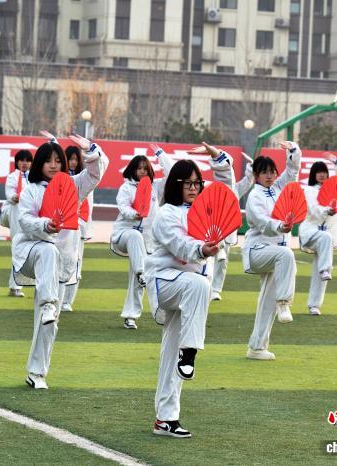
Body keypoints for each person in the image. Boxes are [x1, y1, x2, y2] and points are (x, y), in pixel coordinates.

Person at [146, 147, 234, 438]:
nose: (194, 188)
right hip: (165, 282)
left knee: (171, 353)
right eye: (188, 183)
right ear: (176, 184)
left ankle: (165, 419)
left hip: (190, 293)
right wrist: (202, 249)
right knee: (199, 284)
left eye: (198, 183)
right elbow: (179, 245)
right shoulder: (165, 214)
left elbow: (227, 192)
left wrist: (219, 159)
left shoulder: (206, 210)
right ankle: (191, 351)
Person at [12, 132, 108, 390]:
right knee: (47, 252)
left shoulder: (73, 186)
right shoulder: (31, 190)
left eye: (58, 160)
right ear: (39, 164)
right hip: (33, 252)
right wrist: (46, 225)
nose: (54, 165)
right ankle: (47, 303)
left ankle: (37, 373)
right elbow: (24, 220)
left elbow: (95, 174)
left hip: (61, 264)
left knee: (50, 323)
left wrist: (92, 151)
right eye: (48, 161)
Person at [242, 141, 302, 360]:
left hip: (275, 256)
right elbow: (261, 221)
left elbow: (292, 171)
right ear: (256, 176)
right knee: (287, 255)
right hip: (257, 251)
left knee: (267, 301)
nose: (269, 176)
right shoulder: (255, 196)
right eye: (264, 172)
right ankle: (284, 302)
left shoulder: (278, 188)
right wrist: (280, 226)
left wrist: (293, 150)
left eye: (272, 172)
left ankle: (256, 347)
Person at [109, 147, 172, 329]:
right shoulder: (126, 188)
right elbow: (123, 207)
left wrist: (161, 155)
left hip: (147, 242)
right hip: (124, 235)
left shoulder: (156, 187)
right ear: (133, 170)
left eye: (146, 168)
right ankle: (142, 272)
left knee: (138, 278)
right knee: (135, 237)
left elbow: (172, 174)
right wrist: (134, 214)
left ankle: (131, 317)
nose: (143, 171)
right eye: (139, 168)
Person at [298, 153, 337, 315]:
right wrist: (327, 210)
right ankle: (325, 269)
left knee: (320, 272)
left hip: (327, 239)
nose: (322, 174)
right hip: (311, 233)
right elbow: (314, 208)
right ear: (313, 175)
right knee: (325, 240)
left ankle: (314, 305)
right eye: (318, 172)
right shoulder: (309, 190)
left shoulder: (335, 188)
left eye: (324, 172)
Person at [210, 153, 256, 301]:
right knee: (209, 259)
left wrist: (251, 166)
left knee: (223, 261)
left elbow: (248, 181)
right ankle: (206, 285)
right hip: (212, 230)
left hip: (228, 231)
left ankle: (216, 289)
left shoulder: (236, 189)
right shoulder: (211, 189)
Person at [61, 145, 91, 313]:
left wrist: (84, 227)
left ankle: (68, 301)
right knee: (60, 261)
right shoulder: (60, 178)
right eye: (69, 159)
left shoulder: (84, 180)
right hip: (62, 227)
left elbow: (88, 206)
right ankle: (57, 297)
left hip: (79, 227)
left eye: (75, 159)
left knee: (76, 264)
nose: (72, 162)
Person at [0, 149, 33, 298]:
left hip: (30, 215)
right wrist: (14, 197)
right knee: (18, 248)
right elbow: (10, 194)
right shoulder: (12, 177)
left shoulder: (34, 177)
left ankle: (16, 285)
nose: (24, 163)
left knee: (26, 250)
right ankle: (15, 286)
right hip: (16, 212)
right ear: (17, 162)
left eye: (27, 160)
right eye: (21, 160)